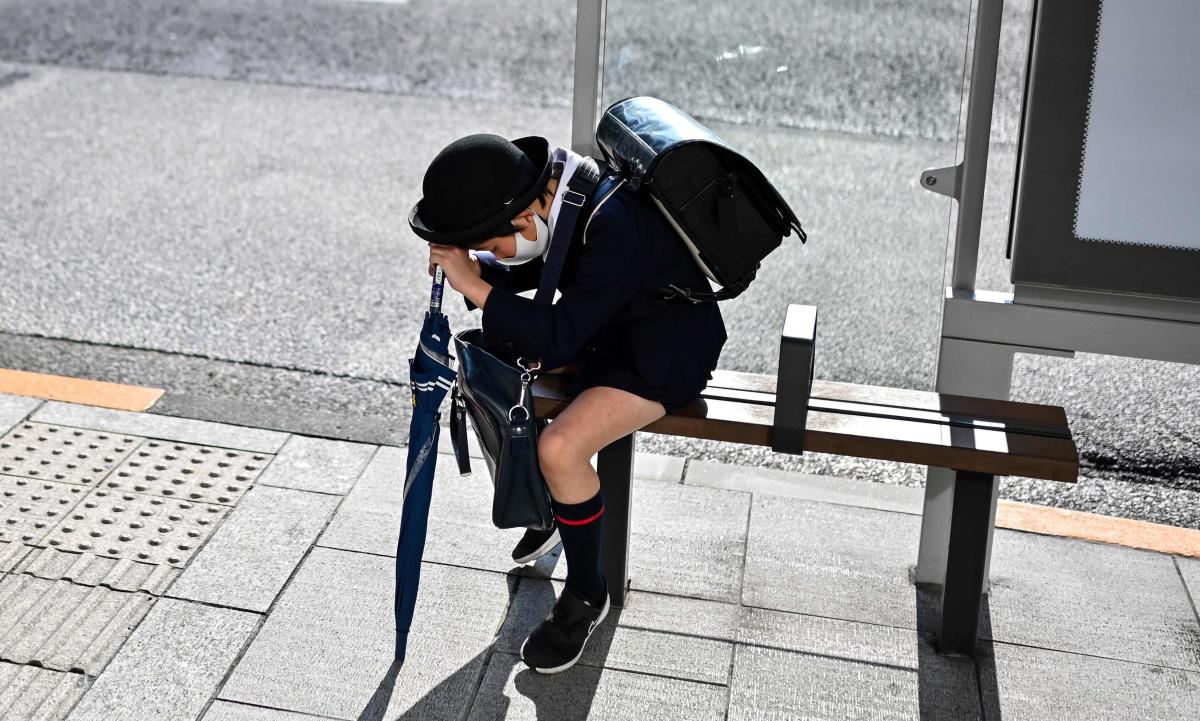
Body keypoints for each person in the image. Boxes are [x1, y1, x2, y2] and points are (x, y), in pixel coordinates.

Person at [410, 132, 727, 674]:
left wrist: (478, 284)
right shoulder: (565, 194)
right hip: (606, 333)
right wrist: (472, 268)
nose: (490, 253)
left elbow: (553, 337)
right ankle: (562, 509)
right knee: (500, 382)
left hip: (660, 356)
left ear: (526, 216)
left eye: (491, 242)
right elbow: (526, 274)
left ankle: (585, 594)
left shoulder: (614, 222)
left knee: (560, 449)